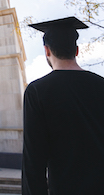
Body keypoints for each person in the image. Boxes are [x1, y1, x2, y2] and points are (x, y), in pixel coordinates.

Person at [22, 16, 104, 195]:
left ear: (47, 51)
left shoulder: (37, 91)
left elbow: (33, 162)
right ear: (76, 50)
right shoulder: (101, 85)